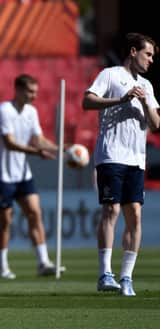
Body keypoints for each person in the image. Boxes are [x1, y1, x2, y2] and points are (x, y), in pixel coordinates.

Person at [83, 32, 159, 296]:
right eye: (147, 54)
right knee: (111, 211)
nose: (151, 60)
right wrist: (122, 99)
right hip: (111, 154)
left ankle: (126, 277)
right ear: (133, 52)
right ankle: (105, 274)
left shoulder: (147, 86)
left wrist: (144, 103)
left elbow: (156, 124)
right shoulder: (111, 75)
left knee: (134, 215)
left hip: (136, 159)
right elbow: (87, 101)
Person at [0, 74, 64, 280]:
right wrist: (37, 153)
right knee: (6, 220)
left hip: (23, 174)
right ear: (19, 90)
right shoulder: (5, 110)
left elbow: (38, 139)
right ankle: (2, 266)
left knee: (35, 213)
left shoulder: (32, 111)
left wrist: (59, 149)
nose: (34, 96)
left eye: (36, 92)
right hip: (2, 174)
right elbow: (9, 143)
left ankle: (43, 262)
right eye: (30, 92)